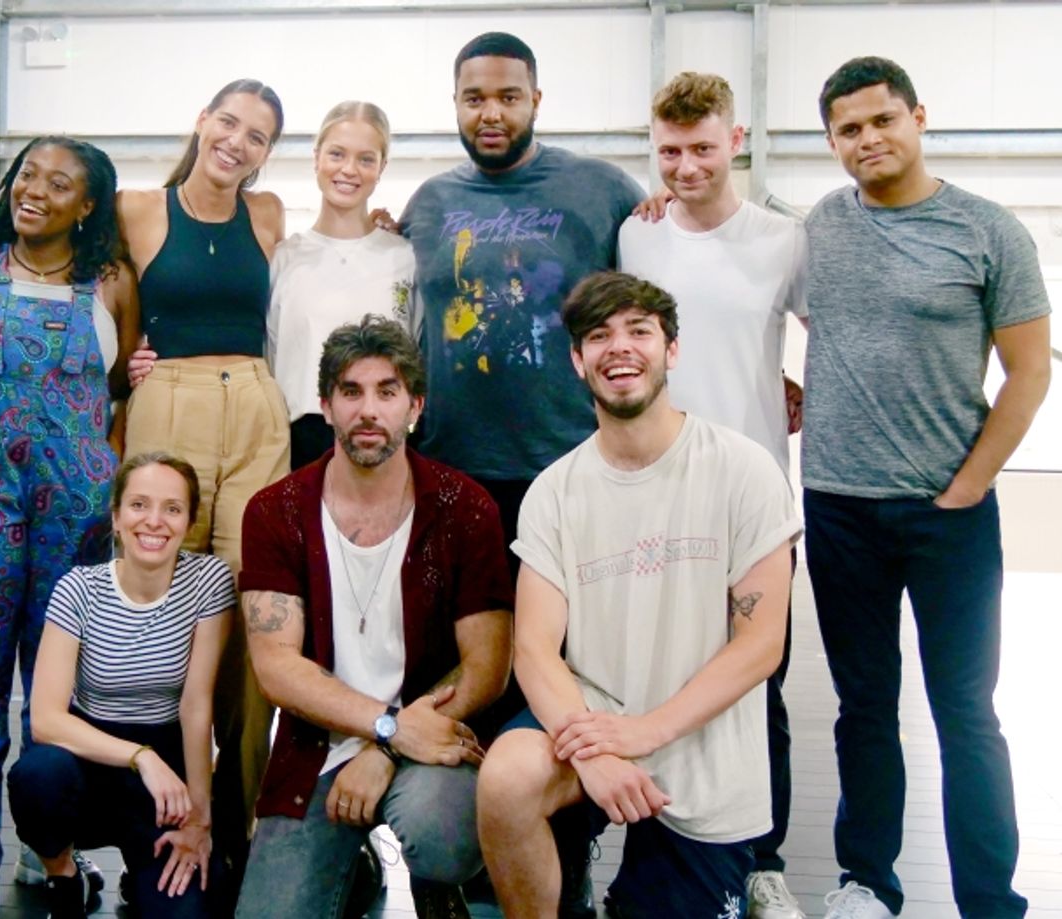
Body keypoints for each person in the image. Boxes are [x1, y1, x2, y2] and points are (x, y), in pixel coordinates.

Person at [804, 57, 1050, 919]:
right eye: (848, 129)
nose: (867, 139)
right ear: (832, 142)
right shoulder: (820, 227)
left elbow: (1029, 372)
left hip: (950, 515)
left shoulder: (988, 231)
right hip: (839, 506)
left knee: (966, 713)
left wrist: (969, 486)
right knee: (864, 707)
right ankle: (868, 883)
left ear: (918, 116)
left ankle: (990, 900)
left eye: (882, 120)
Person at [476, 271, 800, 919]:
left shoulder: (744, 470)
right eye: (599, 336)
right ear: (578, 360)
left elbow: (761, 645)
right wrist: (594, 750)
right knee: (507, 778)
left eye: (639, 331)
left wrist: (646, 732)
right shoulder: (554, 492)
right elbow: (534, 649)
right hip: (592, 714)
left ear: (671, 349)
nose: (619, 347)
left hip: (700, 733)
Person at [235, 315, 513, 919]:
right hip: (317, 751)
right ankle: (354, 873)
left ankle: (436, 882)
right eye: (351, 391)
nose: (368, 411)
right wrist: (385, 727)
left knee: (442, 837)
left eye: (388, 392)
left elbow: (488, 665)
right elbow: (276, 668)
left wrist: (387, 747)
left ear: (416, 405)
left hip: (430, 740)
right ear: (325, 406)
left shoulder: (465, 509)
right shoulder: (275, 511)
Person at [617, 72, 808, 919]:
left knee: (758, 688)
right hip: (654, 501)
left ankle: (764, 862)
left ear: (736, 141)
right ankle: (661, 854)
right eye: (670, 151)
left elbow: (835, 335)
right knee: (657, 681)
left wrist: (798, 387)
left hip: (755, 504)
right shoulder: (637, 234)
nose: (686, 166)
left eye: (702, 148)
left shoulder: (784, 241)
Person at [0, 136, 139, 919]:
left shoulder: (112, 283)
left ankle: (45, 837)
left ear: (87, 205)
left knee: (56, 682)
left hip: (78, 507)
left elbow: (123, 389)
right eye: (28, 175)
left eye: (59, 184)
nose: (35, 191)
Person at [114, 77, 289, 883]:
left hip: (254, 402)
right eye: (228, 122)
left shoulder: (269, 214)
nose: (237, 142)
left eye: (257, 135)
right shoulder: (139, 209)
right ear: (201, 122)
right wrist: (125, 365)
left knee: (257, 607)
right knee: (163, 598)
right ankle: (161, 813)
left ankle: (241, 820)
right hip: (169, 400)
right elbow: (103, 299)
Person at [399, 31, 645, 559]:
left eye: (508, 97)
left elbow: (663, 291)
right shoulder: (429, 203)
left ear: (535, 100)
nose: (491, 114)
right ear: (455, 103)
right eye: (475, 99)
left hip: (571, 463)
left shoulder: (604, 189)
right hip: (451, 466)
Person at [7, 452, 232, 919]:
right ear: (116, 516)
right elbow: (46, 720)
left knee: (189, 911)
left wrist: (198, 819)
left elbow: (196, 706)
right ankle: (64, 875)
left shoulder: (209, 582)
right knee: (37, 777)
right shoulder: (79, 589)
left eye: (172, 508)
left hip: (165, 779)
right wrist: (140, 756)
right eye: (139, 505)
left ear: (189, 522)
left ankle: (142, 874)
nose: (154, 521)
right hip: (91, 759)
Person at [269, 100, 419, 470]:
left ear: (381, 168)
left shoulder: (404, 258)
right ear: (316, 157)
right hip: (297, 445)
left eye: (366, 159)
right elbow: (266, 361)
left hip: (382, 442)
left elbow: (416, 357)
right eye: (337, 154)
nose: (349, 170)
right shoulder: (283, 259)